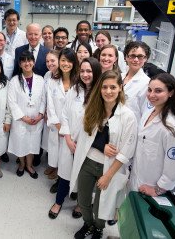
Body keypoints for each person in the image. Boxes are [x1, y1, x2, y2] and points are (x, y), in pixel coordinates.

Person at [71, 70, 137, 239]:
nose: (108, 91)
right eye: (105, 87)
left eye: (113, 87)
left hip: (109, 168)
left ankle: (98, 229)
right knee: (83, 201)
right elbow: (84, 136)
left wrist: (107, 176)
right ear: (99, 89)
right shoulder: (92, 109)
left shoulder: (128, 116)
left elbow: (125, 152)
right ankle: (88, 224)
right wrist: (101, 146)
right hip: (87, 162)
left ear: (120, 88)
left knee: (101, 205)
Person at [49, 57, 102, 220]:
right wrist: (68, 138)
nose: (85, 74)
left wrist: (82, 143)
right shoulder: (75, 90)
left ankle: (80, 203)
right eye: (83, 71)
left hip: (88, 145)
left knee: (83, 177)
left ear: (96, 72)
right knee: (65, 173)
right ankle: (58, 202)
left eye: (89, 71)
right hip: (69, 141)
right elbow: (64, 114)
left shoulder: (101, 92)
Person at [130, 73, 175, 197]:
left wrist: (158, 189)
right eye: (149, 90)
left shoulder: (170, 128)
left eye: (158, 91)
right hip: (136, 179)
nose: (151, 95)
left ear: (170, 93)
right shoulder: (149, 113)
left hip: (150, 187)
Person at [7, 50, 46, 179]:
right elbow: (11, 102)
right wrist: (23, 118)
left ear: (33, 63)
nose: (27, 63)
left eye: (29, 60)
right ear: (20, 64)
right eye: (23, 61)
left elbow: (44, 99)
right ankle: (22, 164)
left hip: (36, 119)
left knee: (32, 144)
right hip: (20, 120)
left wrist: (40, 114)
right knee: (20, 143)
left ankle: (29, 166)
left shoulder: (40, 80)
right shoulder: (14, 81)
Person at [46, 48, 78, 193]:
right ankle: (60, 181)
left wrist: (67, 129)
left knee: (71, 158)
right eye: (63, 60)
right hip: (57, 126)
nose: (66, 64)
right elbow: (50, 105)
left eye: (69, 61)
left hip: (74, 128)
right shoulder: (52, 81)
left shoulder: (79, 81)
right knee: (59, 156)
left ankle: (73, 185)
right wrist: (58, 125)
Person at [122, 41, 151, 122]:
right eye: (132, 56)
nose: (136, 60)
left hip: (133, 128)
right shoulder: (120, 76)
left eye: (140, 56)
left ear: (146, 59)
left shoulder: (147, 84)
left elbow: (146, 114)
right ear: (126, 57)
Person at [41, 50, 60, 168]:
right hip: (47, 113)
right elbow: (44, 95)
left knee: (58, 145)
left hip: (57, 115)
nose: (50, 63)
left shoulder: (63, 76)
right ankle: (52, 166)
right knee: (50, 143)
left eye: (53, 60)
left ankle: (57, 168)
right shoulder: (47, 75)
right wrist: (44, 111)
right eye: (47, 61)